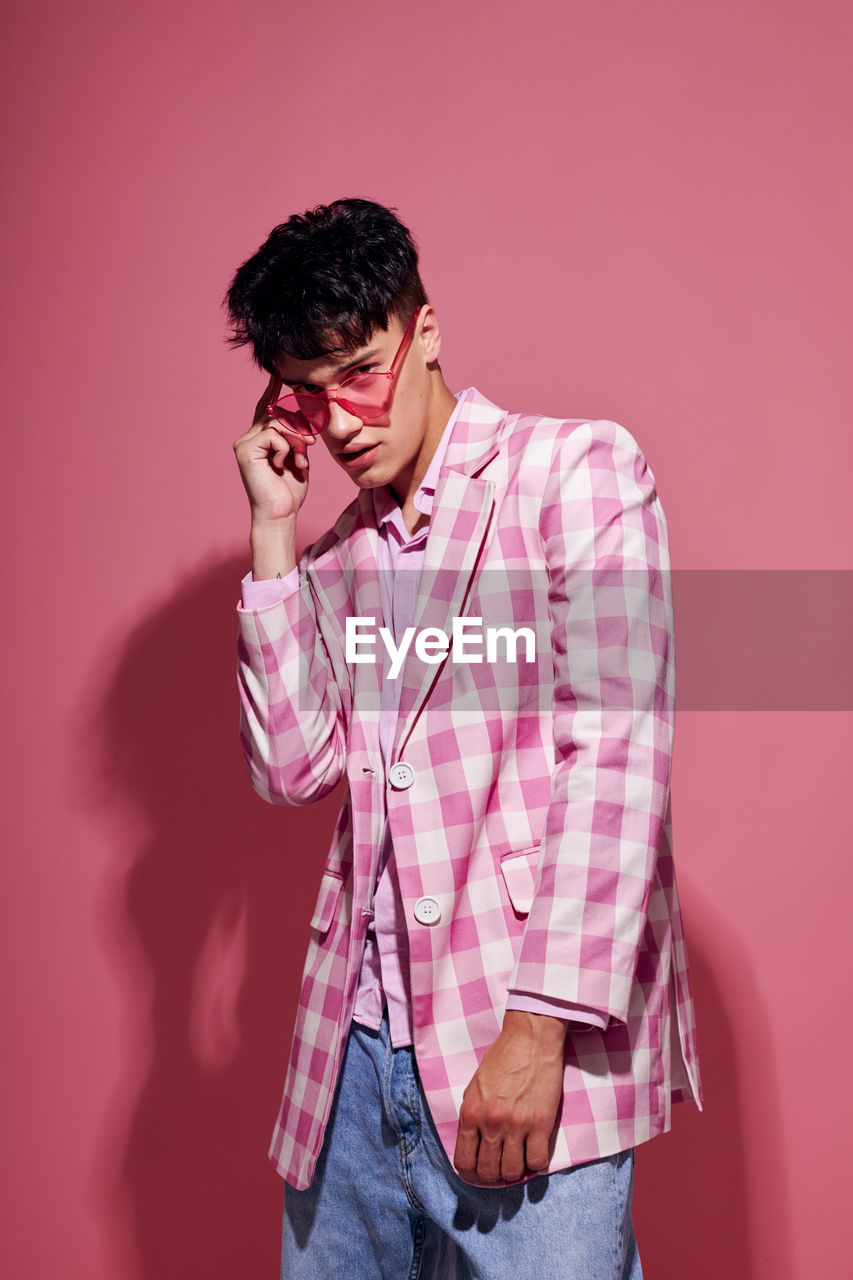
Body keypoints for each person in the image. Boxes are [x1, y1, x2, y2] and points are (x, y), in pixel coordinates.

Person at [227, 197, 702, 1279]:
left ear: (426, 329)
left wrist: (538, 1031)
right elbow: (294, 767)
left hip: (518, 1038)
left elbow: (617, 759)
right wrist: (272, 535)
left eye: (360, 370)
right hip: (348, 1065)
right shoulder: (338, 556)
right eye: (306, 392)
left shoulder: (573, 474)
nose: (338, 420)